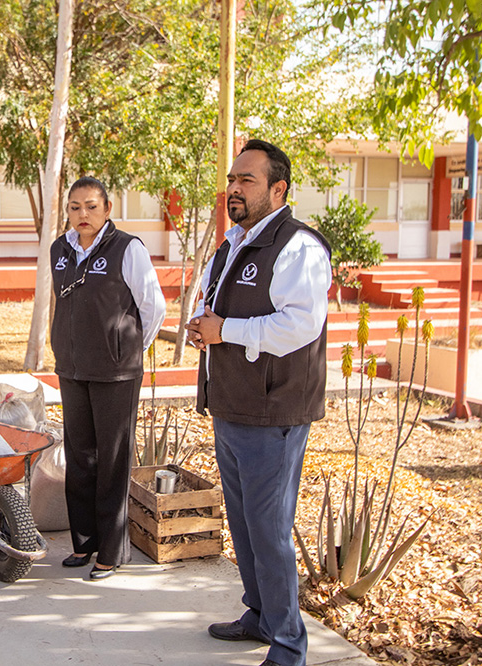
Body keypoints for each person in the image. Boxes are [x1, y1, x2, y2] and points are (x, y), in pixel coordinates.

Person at [185, 140, 331, 666]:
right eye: (232, 179)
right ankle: (262, 615)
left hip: (275, 411)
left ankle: (289, 644)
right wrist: (206, 329)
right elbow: (218, 309)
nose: (234, 189)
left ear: (278, 189)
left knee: (269, 529)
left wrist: (225, 329)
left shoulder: (299, 247)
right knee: (244, 524)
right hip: (231, 403)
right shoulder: (231, 245)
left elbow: (299, 325)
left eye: (246, 180)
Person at [50, 176, 166, 580]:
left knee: (112, 461)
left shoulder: (127, 248)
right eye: (75, 207)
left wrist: (128, 348)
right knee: (80, 457)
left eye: (91, 206)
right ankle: (84, 544)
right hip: (72, 368)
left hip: (116, 373)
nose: (83, 214)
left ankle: (112, 552)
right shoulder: (59, 250)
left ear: (107, 209)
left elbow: (154, 307)